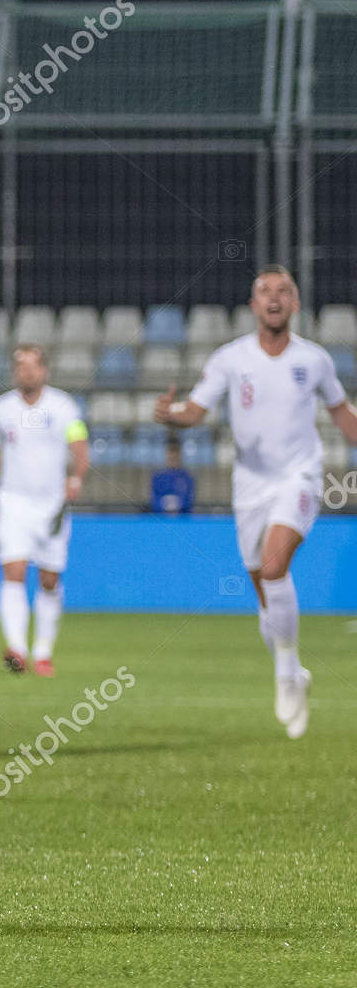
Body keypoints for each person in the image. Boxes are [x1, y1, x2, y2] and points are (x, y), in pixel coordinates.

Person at [156, 265, 357, 738]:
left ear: (296, 304)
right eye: (264, 291)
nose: (274, 298)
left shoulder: (315, 360)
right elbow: (196, 410)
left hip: (300, 476)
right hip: (249, 486)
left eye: (283, 290)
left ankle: (287, 674)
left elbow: (342, 414)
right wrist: (173, 415)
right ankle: (294, 672)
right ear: (252, 305)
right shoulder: (231, 359)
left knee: (273, 566)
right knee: (266, 600)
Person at [0, 345, 90, 677]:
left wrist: (77, 477)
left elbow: (80, 447)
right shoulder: (0, 409)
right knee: (14, 572)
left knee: (50, 579)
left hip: (52, 505)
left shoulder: (63, 405)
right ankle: (18, 649)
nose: (27, 372)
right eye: (20, 366)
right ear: (14, 372)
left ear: (45, 371)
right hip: (13, 502)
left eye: (33, 366)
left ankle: (43, 651)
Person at [150, 435, 195, 515]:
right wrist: (165, 504)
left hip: (182, 520)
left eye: (175, 452)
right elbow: (154, 501)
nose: (173, 456)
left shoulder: (187, 477)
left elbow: (189, 501)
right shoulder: (158, 477)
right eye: (170, 452)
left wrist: (177, 504)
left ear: (180, 454)